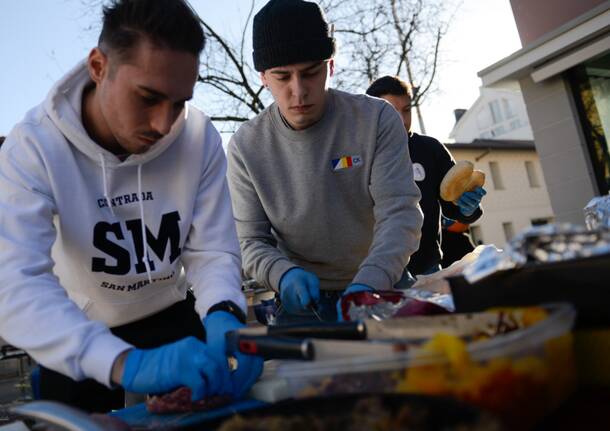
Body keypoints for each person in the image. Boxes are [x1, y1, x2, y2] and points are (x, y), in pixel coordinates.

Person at [0, 0, 261, 413]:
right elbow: (13, 281)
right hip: (76, 329)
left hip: (171, 313)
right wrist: (125, 362)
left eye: (179, 102)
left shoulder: (197, 136)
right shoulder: (33, 146)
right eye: (147, 97)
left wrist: (224, 312)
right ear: (99, 67)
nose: (163, 124)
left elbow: (211, 251)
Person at [227, 0, 424, 324]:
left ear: (330, 66)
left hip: (383, 283)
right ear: (263, 76)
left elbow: (400, 212)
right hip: (303, 303)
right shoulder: (245, 147)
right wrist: (282, 274)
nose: (298, 91)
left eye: (310, 73)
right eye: (282, 77)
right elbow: (250, 241)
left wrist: (370, 281)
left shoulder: (376, 119)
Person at [366, 76, 485, 276]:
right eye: (392, 112)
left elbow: (456, 209)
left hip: (427, 269)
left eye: (406, 110)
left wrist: (468, 207)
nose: (403, 120)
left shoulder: (430, 149)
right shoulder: (358, 153)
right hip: (373, 272)